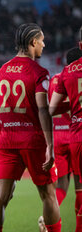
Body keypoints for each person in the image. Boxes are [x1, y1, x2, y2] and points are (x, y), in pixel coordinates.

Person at [0, 23, 61, 232]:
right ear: (33, 42)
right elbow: (43, 110)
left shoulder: (2, 71)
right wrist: (50, 144)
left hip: (6, 140)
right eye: (42, 40)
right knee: (47, 193)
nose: (44, 45)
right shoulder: (38, 71)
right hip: (32, 140)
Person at [49, 26, 82, 231]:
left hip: (67, 135)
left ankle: (50, 213)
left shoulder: (59, 77)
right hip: (72, 132)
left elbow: (51, 108)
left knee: (63, 185)